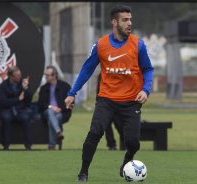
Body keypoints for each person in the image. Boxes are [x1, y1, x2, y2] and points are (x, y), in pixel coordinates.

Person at [65, 4, 154, 182]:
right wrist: (72, 92)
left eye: (130, 19)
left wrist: (146, 90)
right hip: (107, 99)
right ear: (114, 22)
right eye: (125, 20)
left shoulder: (139, 45)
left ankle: (127, 161)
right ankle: (83, 173)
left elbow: (148, 70)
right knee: (95, 133)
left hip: (131, 101)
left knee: (133, 143)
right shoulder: (101, 45)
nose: (129, 23)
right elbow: (86, 70)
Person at [37, 65, 72, 150]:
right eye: (45, 75)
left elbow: (70, 101)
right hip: (47, 111)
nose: (46, 77)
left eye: (47, 75)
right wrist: (51, 107)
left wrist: (60, 108)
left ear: (54, 75)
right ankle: (58, 131)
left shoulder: (65, 86)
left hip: (62, 112)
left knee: (53, 119)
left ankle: (52, 145)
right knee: (50, 112)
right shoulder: (43, 88)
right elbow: (40, 104)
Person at [0, 66, 33, 150]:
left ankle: (28, 145)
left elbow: (28, 100)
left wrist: (26, 89)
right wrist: (17, 99)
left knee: (26, 118)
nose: (19, 77)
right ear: (11, 76)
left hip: (20, 109)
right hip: (8, 109)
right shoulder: (3, 85)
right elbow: (4, 102)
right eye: (17, 75)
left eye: (20, 75)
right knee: (6, 118)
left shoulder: (23, 83)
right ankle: (6, 145)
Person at [96, 73, 124, 151]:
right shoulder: (101, 75)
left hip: (118, 104)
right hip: (105, 104)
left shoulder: (119, 73)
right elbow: (99, 89)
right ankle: (111, 145)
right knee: (107, 126)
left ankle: (125, 144)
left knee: (119, 125)